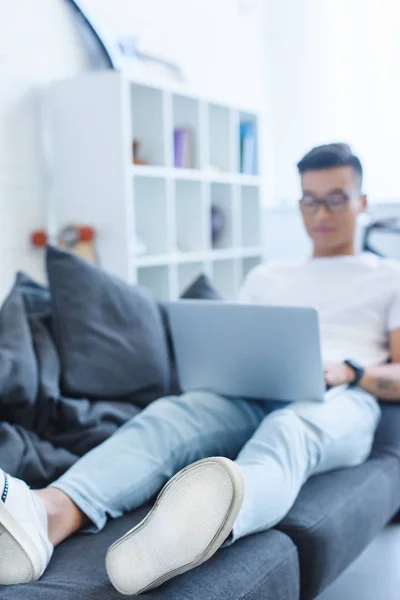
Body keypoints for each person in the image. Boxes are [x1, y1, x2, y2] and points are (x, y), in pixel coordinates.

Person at [1, 143, 400, 596]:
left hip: (340, 397)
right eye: (309, 200)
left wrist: (350, 370)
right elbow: (235, 341)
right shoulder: (267, 276)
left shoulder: (388, 276)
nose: (320, 213)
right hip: (253, 388)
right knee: (170, 416)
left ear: (362, 201)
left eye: (335, 199)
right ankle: (45, 514)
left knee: (289, 433)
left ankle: (188, 530)